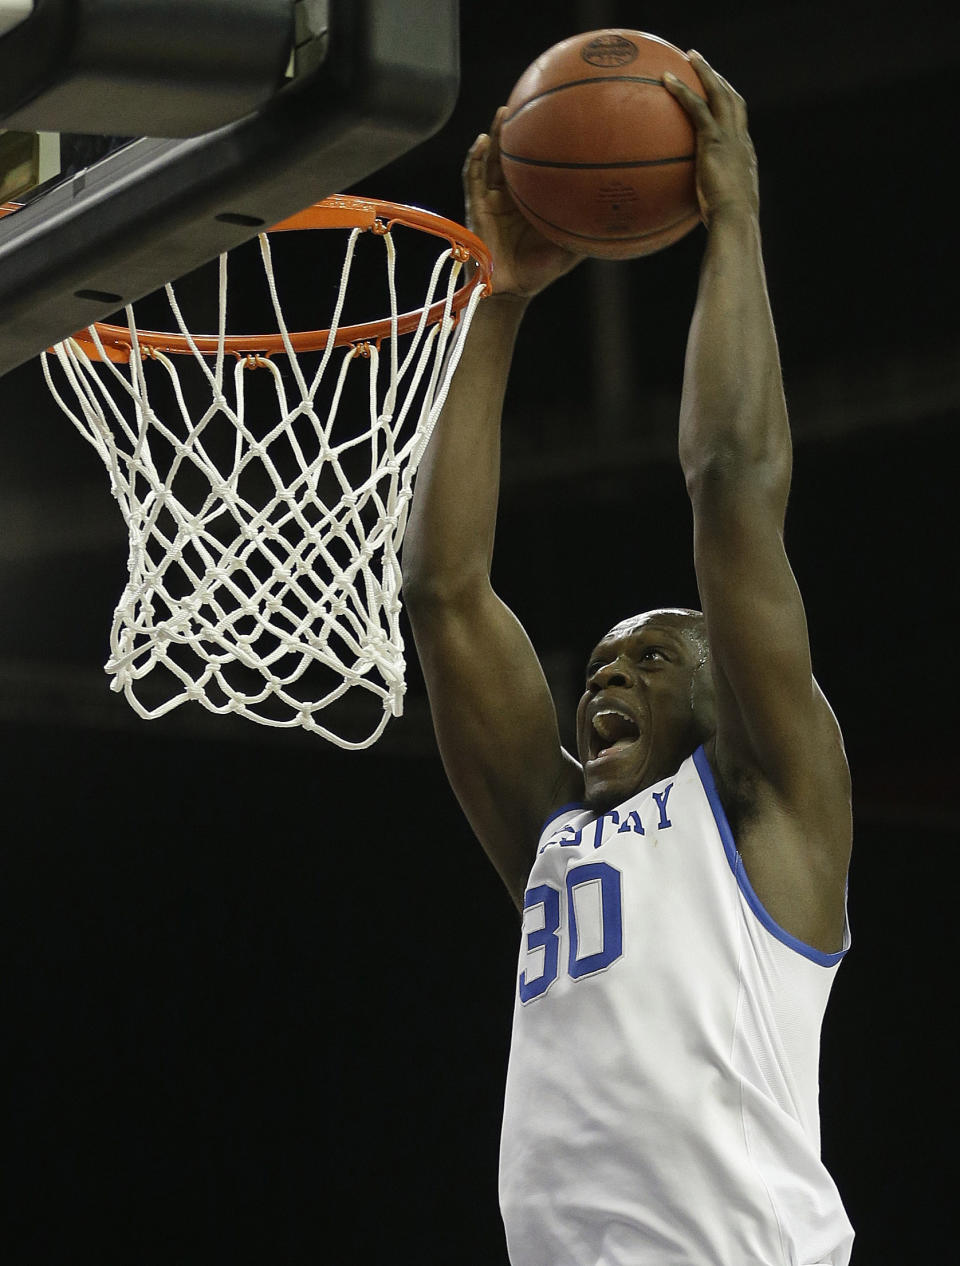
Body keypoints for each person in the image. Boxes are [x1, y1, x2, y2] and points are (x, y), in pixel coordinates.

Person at [401, 49, 855, 1266]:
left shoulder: (771, 813)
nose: (608, 675)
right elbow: (443, 595)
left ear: (726, 697)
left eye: (653, 659)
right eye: (601, 661)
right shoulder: (557, 836)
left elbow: (728, 489)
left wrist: (737, 224)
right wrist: (497, 298)